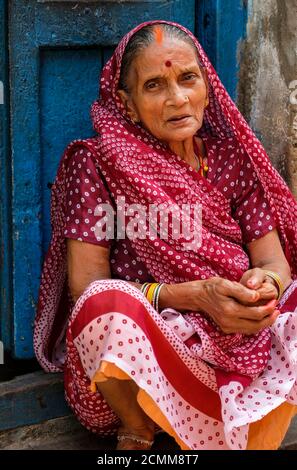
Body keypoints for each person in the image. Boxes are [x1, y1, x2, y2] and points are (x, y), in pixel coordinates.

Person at [34, 20, 297, 450]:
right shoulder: (99, 165)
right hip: (155, 347)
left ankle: (245, 422)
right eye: (154, 85)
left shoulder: (232, 159)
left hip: (240, 329)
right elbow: (87, 288)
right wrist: (193, 295)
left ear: (207, 86)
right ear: (128, 104)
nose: (177, 99)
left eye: (187, 78)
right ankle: (138, 429)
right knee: (103, 307)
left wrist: (260, 287)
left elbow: (273, 262)